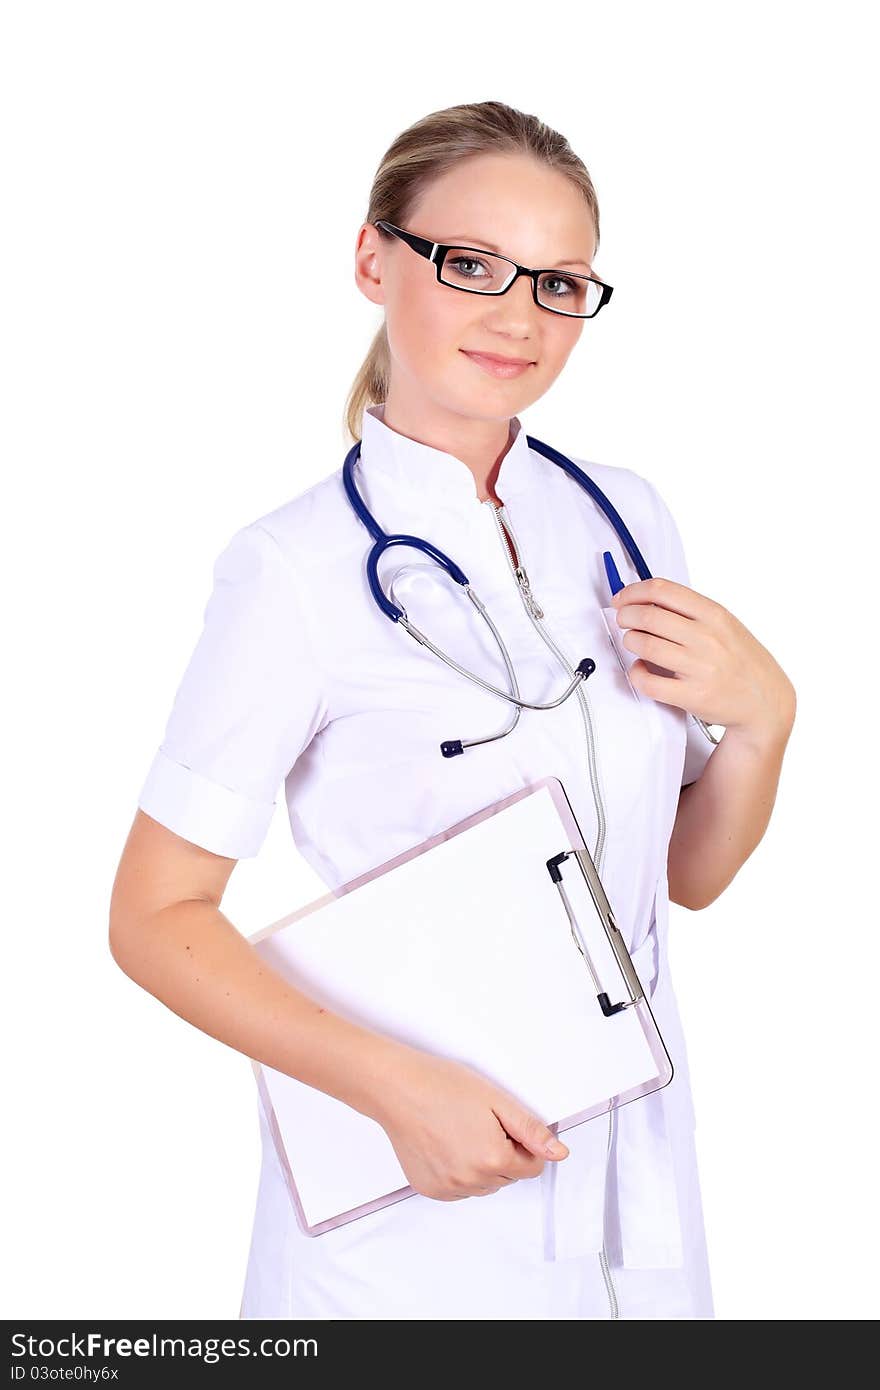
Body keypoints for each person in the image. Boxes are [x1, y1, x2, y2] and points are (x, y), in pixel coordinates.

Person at [109, 99, 796, 1320]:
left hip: (636, 1186)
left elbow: (681, 874)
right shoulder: (294, 571)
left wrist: (765, 720)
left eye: (561, 281)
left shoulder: (624, 517)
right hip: (409, 1226)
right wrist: (394, 1088)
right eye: (471, 264)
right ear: (375, 260)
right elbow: (154, 917)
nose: (517, 315)